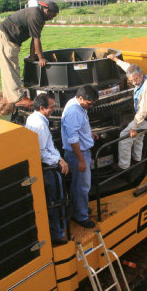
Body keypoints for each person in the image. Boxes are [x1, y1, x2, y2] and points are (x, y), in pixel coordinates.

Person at [0, 1, 59, 107]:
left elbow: (34, 38)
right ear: (47, 11)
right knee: (11, 67)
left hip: (8, 38)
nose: (53, 18)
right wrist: (41, 58)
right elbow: (36, 39)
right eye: (53, 15)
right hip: (6, 38)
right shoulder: (36, 15)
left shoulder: (39, 17)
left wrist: (33, 56)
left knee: (10, 67)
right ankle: (17, 99)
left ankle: (10, 96)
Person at [24, 93, 69, 245]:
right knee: (56, 199)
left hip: (47, 164)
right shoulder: (40, 125)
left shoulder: (34, 118)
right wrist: (59, 161)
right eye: (52, 107)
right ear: (42, 108)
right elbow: (42, 152)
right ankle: (59, 233)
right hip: (47, 168)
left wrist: (60, 158)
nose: (54, 109)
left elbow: (49, 145)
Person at [107, 54, 147, 170]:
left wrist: (133, 127)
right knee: (139, 136)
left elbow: (142, 111)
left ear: (141, 75)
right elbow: (128, 67)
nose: (134, 82)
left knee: (124, 137)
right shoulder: (144, 77)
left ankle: (123, 167)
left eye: (136, 79)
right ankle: (137, 159)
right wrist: (115, 59)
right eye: (131, 80)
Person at [61, 85, 99, 228]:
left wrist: (89, 134)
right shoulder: (74, 111)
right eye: (89, 103)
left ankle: (79, 207)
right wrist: (81, 160)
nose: (90, 106)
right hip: (78, 154)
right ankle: (81, 216)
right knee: (83, 186)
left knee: (78, 184)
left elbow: (80, 127)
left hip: (80, 152)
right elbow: (72, 139)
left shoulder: (77, 105)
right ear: (81, 98)